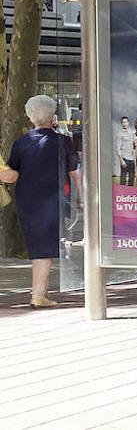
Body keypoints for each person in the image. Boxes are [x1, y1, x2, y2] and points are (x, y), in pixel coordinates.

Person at [2, 95, 79, 308]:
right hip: (54, 200)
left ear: (30, 116)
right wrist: (83, 196)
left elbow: (12, 175)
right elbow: (75, 172)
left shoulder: (21, 143)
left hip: (28, 201)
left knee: (39, 249)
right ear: (53, 116)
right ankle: (38, 295)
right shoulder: (63, 141)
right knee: (45, 250)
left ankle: (39, 293)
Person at [115, 116, 136, 185]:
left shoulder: (132, 133)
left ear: (128, 123)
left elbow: (135, 143)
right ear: (121, 123)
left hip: (132, 159)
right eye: (123, 122)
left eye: (126, 122)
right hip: (124, 158)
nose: (124, 124)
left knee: (132, 178)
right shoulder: (120, 134)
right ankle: (122, 193)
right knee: (123, 178)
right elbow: (118, 147)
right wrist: (121, 160)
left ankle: (130, 193)